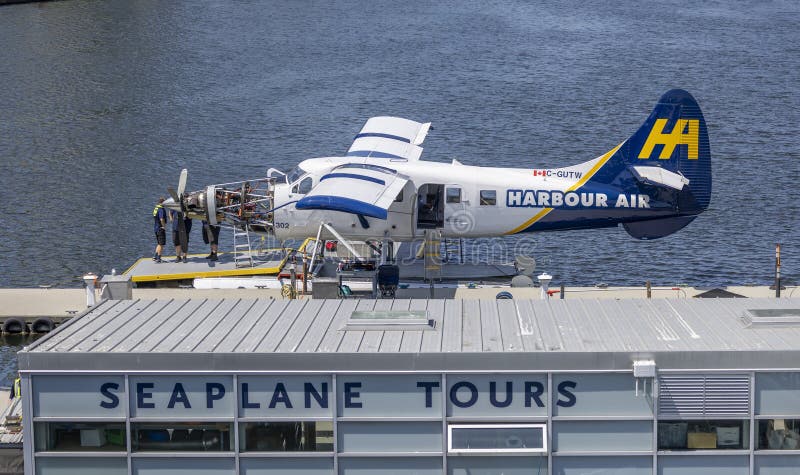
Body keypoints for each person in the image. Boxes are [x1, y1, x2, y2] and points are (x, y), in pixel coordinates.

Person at [152, 197, 167, 263]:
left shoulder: (156, 208)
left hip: (156, 228)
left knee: (159, 243)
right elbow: (161, 219)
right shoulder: (161, 209)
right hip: (160, 228)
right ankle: (159, 258)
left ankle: (155, 256)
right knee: (161, 244)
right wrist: (164, 226)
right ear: (163, 203)